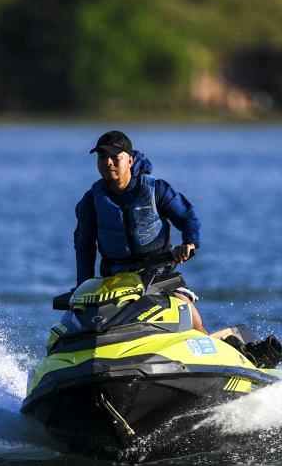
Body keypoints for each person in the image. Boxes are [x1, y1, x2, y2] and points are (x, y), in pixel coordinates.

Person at [73, 130, 206, 333]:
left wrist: (189, 243)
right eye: (102, 157)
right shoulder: (90, 202)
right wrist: (82, 292)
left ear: (130, 160)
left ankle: (206, 344)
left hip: (158, 275)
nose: (108, 162)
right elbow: (84, 248)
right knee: (80, 324)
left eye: (114, 157)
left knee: (185, 307)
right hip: (114, 282)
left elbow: (188, 218)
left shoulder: (157, 190)